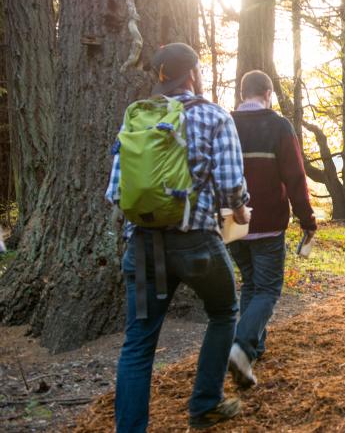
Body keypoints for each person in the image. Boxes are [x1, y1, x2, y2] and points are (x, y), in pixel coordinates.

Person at [106, 43, 248, 431]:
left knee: (137, 346)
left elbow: (115, 192)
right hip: (196, 243)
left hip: (143, 246)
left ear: (160, 76)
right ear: (192, 74)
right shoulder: (214, 116)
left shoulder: (136, 117)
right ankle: (204, 404)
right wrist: (240, 211)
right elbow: (231, 186)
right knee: (223, 312)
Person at [227, 70, 317, 388]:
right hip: (266, 223)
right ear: (267, 93)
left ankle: (254, 346)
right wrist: (308, 222)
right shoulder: (278, 126)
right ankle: (240, 346)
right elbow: (295, 178)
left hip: (231, 223)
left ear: (242, 92)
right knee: (267, 289)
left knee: (252, 283)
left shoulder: (226, 122)